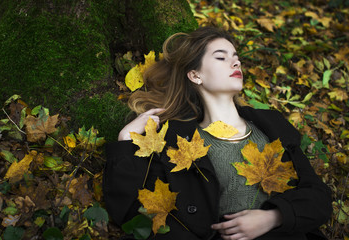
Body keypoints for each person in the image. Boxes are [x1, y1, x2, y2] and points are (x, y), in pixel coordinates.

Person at [103, 26, 332, 240]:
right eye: (221, 57)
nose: (235, 63)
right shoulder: (176, 142)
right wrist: (125, 142)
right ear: (195, 76)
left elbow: (319, 197)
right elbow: (137, 213)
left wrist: (274, 217)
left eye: (236, 58)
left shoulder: (272, 125)